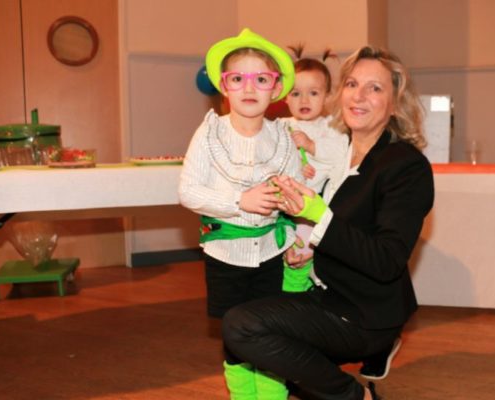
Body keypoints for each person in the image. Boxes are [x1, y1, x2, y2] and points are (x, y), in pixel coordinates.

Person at [222, 46, 434, 400]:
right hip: (323, 292)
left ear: (395, 104)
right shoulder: (338, 153)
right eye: (352, 84)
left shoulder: (406, 166)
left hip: (362, 314)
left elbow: (385, 259)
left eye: (375, 88)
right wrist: (304, 235)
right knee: (241, 326)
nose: (359, 96)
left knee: (243, 328)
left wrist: (318, 215)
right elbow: (332, 226)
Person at [178, 28, 303, 399]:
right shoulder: (209, 135)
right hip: (225, 256)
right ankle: (244, 396)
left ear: (275, 88)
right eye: (238, 79)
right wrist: (238, 201)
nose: (250, 88)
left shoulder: (282, 137)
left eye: (261, 79)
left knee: (272, 331)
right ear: (223, 85)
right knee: (236, 334)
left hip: (272, 254)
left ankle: (272, 395)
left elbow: (298, 197)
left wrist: (299, 237)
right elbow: (188, 191)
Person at [281, 45, 349, 293]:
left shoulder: (332, 127)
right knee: (283, 255)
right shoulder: (281, 126)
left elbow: (340, 155)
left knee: (303, 255)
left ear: (328, 96)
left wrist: (311, 146)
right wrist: (296, 165)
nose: (304, 100)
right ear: (285, 96)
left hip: (314, 206)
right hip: (282, 206)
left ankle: (300, 295)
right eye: (296, 93)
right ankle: (286, 298)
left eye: (313, 93)